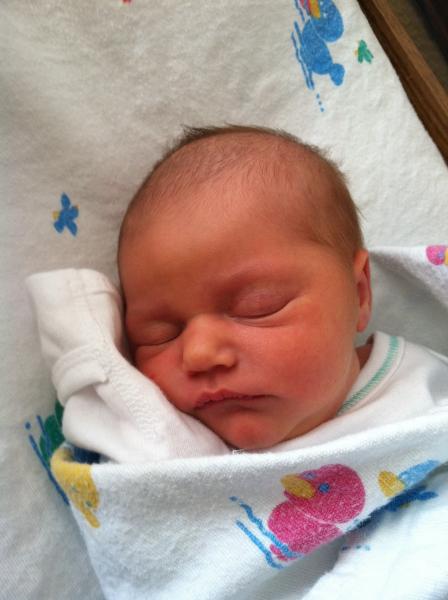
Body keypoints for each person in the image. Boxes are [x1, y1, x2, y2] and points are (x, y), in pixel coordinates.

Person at [117, 124, 370, 451]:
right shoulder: (156, 450)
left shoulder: (422, 393)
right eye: (159, 335)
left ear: (359, 294)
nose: (199, 353)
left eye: (259, 306)